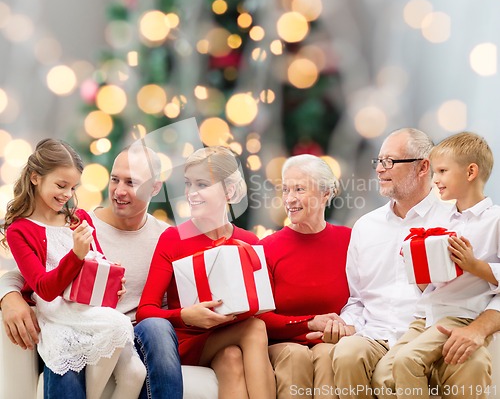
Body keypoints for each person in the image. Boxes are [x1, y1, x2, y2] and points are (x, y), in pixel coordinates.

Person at [0, 143, 183, 399]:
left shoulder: (166, 236)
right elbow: (28, 276)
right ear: (35, 178)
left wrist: (112, 280)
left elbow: (100, 264)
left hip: (123, 327)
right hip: (69, 317)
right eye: (115, 179)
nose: (119, 191)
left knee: (148, 343)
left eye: (131, 182)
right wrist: (7, 296)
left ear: (154, 187)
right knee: (69, 353)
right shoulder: (83, 220)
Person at [318, 128, 454, 399]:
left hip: (425, 335)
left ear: (423, 167)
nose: (380, 169)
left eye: (389, 161)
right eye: (378, 161)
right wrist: (346, 323)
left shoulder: (452, 219)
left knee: (394, 372)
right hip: (374, 334)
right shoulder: (366, 226)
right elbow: (357, 300)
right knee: (346, 354)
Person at [136, 145, 276, 399]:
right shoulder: (173, 238)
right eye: (189, 184)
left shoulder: (249, 242)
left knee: (232, 358)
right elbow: (145, 311)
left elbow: (264, 310)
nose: (190, 193)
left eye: (202, 184)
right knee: (254, 329)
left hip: (227, 340)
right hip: (187, 340)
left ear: (229, 190)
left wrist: (306, 322)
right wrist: (185, 316)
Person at [372, 132, 500, 399]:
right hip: (426, 316)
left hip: (460, 315)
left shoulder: (494, 220)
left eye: (442, 171)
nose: (435, 179)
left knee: (407, 361)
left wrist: (473, 265)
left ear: (470, 172)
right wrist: (417, 264)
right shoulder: (442, 219)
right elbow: (430, 285)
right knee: (384, 374)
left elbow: (479, 273)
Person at [257, 154, 351, 399]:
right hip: (284, 346)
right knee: (295, 356)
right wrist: (310, 322)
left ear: (325, 194)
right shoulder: (266, 248)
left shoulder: (349, 240)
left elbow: (366, 299)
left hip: (331, 342)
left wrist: (345, 329)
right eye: (286, 189)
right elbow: (259, 319)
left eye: (299, 189)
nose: (290, 199)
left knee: (327, 354)